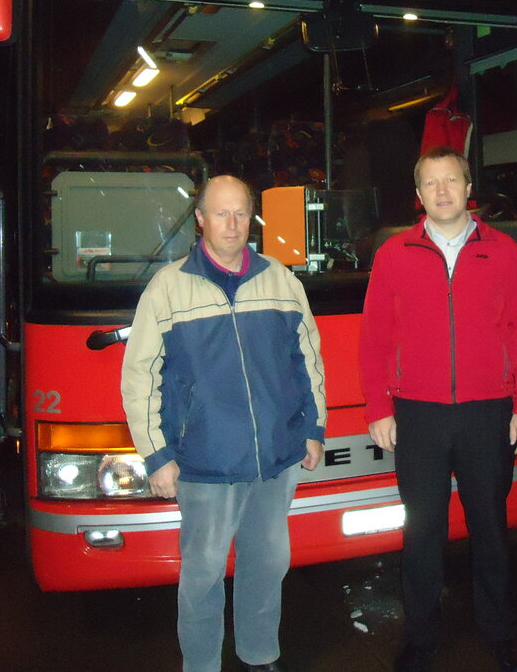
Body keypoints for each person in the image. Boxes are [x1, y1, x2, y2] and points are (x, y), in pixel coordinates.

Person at [121, 175, 326, 672]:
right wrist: (158, 454)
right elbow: (139, 375)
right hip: (204, 462)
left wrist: (313, 429)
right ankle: (201, 665)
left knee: (266, 563)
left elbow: (308, 359)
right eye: (220, 214)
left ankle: (259, 655)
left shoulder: (280, 280)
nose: (231, 225)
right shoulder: (167, 288)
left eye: (240, 214)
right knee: (204, 573)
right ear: (199, 219)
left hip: (275, 459)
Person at [360, 145, 517, 672]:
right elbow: (374, 337)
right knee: (422, 532)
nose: (442, 192)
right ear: (418, 196)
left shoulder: (503, 251)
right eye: (431, 184)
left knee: (490, 526)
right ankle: (421, 640)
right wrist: (380, 406)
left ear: (469, 188)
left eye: (452, 181)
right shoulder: (394, 254)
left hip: (489, 412)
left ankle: (500, 634)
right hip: (417, 414)